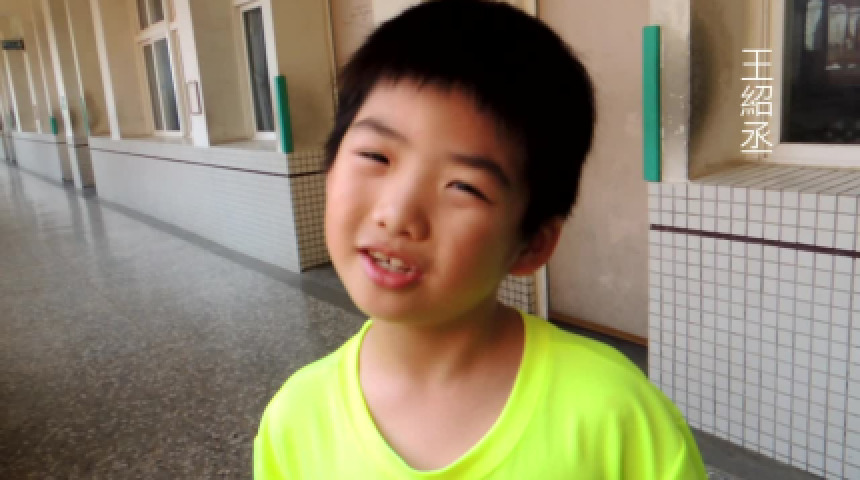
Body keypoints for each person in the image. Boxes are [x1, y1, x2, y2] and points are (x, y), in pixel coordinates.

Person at [254, 1, 707, 478]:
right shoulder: (295, 422)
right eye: (376, 157)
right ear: (329, 168)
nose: (398, 214)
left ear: (532, 244)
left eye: (464, 187)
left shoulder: (616, 414)